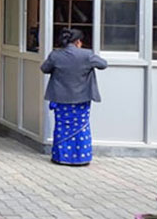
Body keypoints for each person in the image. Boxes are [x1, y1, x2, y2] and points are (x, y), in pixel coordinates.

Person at [40, 28, 107, 166]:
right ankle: (81, 158)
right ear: (78, 42)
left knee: (62, 126)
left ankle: (60, 157)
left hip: (61, 99)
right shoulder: (87, 55)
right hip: (81, 99)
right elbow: (103, 64)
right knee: (81, 127)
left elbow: (44, 69)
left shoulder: (55, 55)